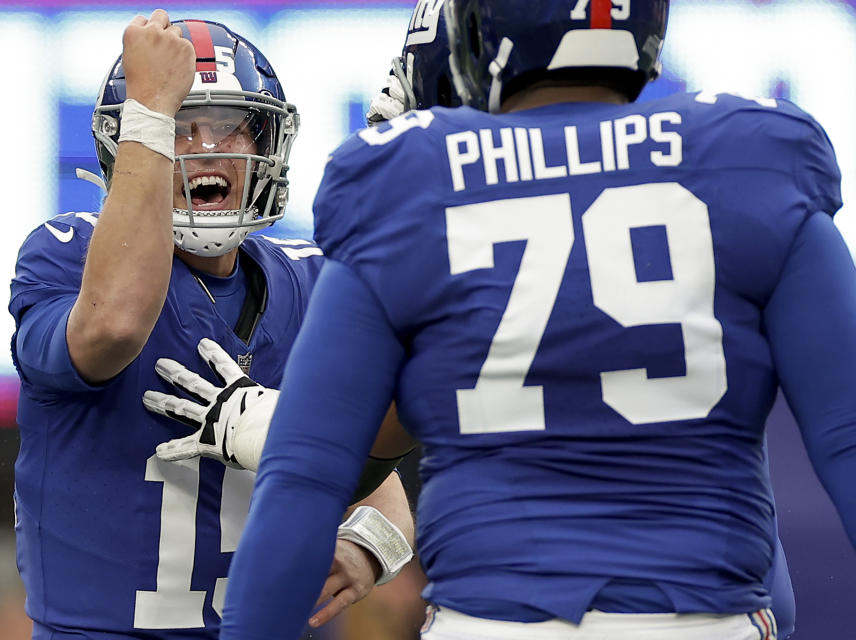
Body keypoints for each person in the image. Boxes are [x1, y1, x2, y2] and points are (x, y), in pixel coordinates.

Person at [205, 0, 856, 638]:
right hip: (704, 617)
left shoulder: (406, 180)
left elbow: (307, 475)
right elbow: (846, 435)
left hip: (491, 620)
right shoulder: (754, 156)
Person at [8, 11, 413, 639]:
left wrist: (370, 545)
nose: (204, 149)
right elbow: (112, 326)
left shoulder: (308, 279)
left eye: (227, 129)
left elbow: (376, 467)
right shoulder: (66, 253)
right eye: (178, 128)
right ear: (131, 145)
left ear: (266, 145)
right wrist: (148, 111)